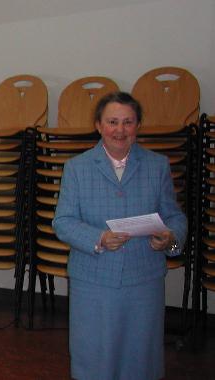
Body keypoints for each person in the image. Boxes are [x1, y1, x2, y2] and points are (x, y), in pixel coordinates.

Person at [52, 91, 187, 379]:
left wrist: (170, 237)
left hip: (144, 279)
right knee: (94, 355)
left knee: (140, 356)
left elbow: (174, 216)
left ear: (138, 126)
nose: (120, 130)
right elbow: (63, 221)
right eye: (112, 121)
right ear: (99, 125)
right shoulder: (76, 168)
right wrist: (98, 238)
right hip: (93, 278)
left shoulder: (157, 165)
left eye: (128, 122)